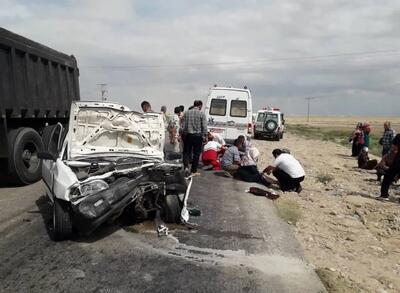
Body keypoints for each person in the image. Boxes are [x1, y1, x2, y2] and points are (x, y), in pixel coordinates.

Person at [182, 100, 207, 175]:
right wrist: (205, 136)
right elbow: (204, 126)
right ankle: (193, 171)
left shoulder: (187, 112)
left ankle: (186, 167)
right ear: (200, 105)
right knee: (196, 153)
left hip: (188, 135)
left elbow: (184, 126)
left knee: (186, 152)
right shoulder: (201, 114)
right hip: (198, 136)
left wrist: (183, 133)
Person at [380, 134, 400, 200]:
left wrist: (389, 156)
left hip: (398, 159)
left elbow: (393, 148)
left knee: (388, 176)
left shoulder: (398, 136)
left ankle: (384, 195)